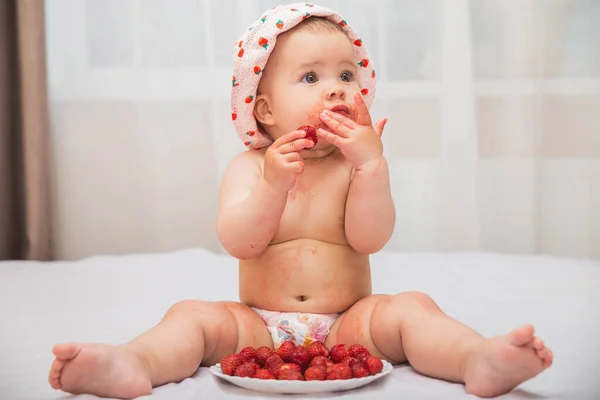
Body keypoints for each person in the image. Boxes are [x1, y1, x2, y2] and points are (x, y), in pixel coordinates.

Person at [48, 3, 552, 398]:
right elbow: (240, 243)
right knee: (192, 316)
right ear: (263, 109)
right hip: (259, 329)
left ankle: (476, 360)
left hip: (350, 324)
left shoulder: (352, 165)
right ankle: (132, 364)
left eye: (347, 76)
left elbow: (370, 237)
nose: (335, 90)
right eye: (311, 78)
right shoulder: (249, 168)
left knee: (412, 309)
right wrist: (272, 186)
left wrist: (371, 167)